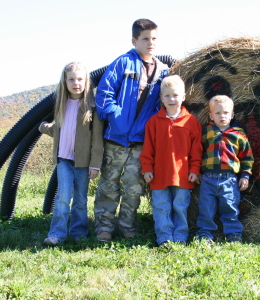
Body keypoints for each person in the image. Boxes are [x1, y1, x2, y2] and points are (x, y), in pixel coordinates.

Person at [94, 18, 169, 242]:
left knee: (134, 186)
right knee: (109, 185)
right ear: (134, 40)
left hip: (140, 141)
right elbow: (104, 94)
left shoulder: (163, 71)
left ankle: (127, 225)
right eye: (145, 39)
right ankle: (104, 228)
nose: (150, 43)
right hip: (115, 138)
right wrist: (116, 118)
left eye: (154, 38)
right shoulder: (122, 63)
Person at [40, 62, 104, 246]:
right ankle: (57, 234)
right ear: (65, 82)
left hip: (84, 163)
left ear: (86, 81)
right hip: (63, 159)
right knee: (62, 196)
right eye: (71, 79)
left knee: (80, 199)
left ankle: (79, 233)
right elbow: (61, 130)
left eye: (80, 79)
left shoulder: (92, 107)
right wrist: (44, 127)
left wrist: (95, 164)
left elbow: (97, 139)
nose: (76, 83)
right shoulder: (61, 104)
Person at [140, 75, 203, 246]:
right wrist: (147, 168)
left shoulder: (191, 122)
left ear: (183, 97)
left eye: (175, 95)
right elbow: (148, 149)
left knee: (181, 207)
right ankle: (164, 237)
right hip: (159, 175)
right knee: (161, 207)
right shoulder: (153, 123)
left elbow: (196, 149)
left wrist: (194, 170)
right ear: (161, 98)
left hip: (182, 175)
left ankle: (181, 236)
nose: (171, 99)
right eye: (167, 96)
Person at [195, 95, 254, 243]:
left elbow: (247, 156)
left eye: (226, 113)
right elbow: (197, 153)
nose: (222, 116)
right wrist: (197, 172)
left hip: (230, 179)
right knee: (206, 209)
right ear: (211, 115)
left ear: (232, 114)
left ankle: (233, 234)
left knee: (230, 207)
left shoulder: (238, 134)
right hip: (208, 178)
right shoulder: (206, 132)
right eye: (218, 113)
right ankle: (205, 234)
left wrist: (245, 175)